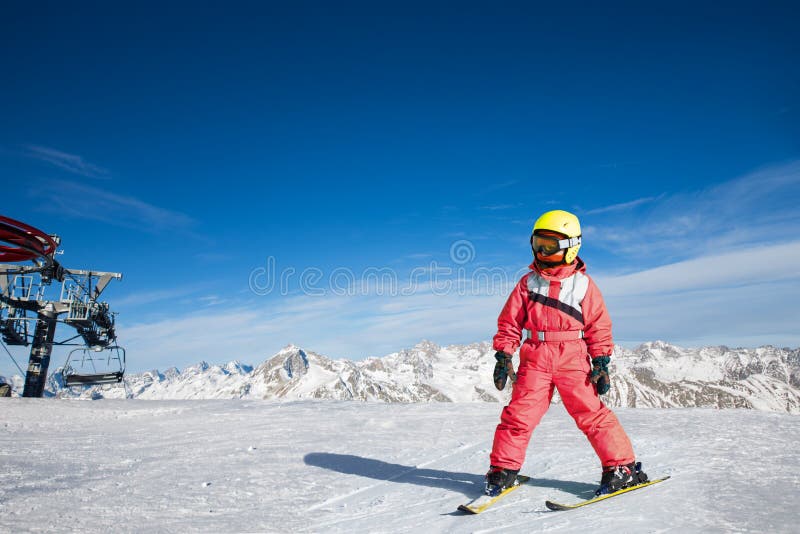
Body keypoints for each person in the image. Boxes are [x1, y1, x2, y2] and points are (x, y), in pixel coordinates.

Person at [485, 209, 647, 497]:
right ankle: (503, 470)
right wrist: (504, 355)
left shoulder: (583, 285)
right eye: (538, 244)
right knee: (518, 415)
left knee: (591, 414)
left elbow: (599, 326)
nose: (542, 252)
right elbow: (510, 322)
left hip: (572, 355)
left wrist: (600, 361)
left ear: (571, 248)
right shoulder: (527, 284)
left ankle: (621, 467)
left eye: (550, 246)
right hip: (535, 356)